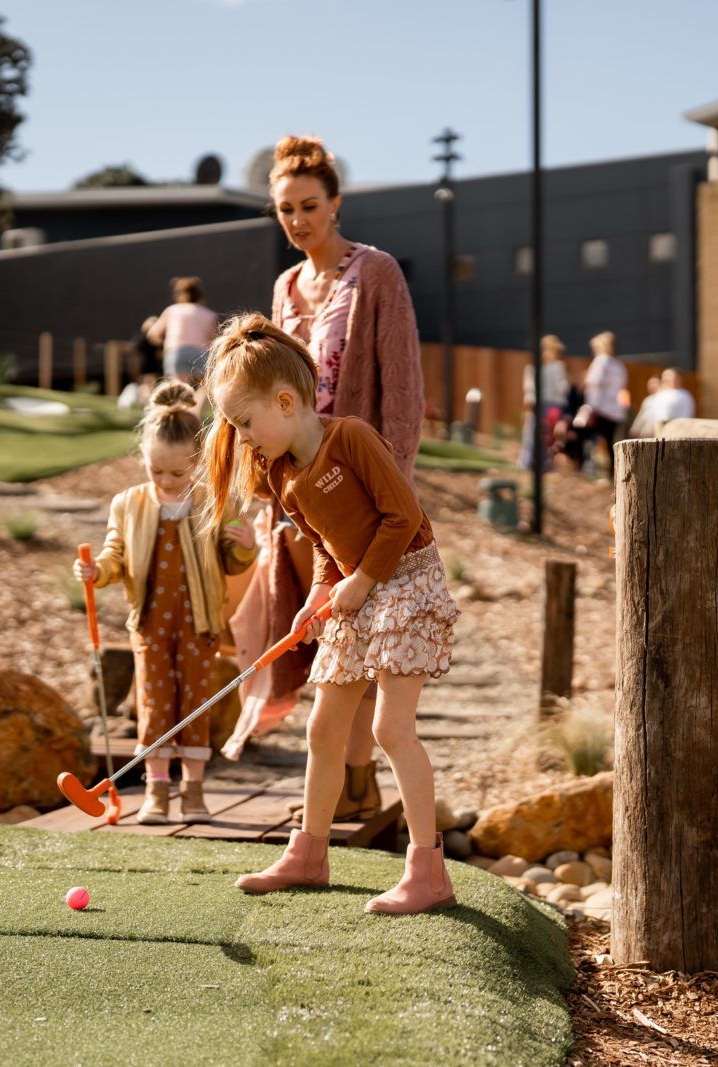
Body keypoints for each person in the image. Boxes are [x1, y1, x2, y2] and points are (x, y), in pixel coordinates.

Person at [202, 314, 459, 914]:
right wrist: (318, 594)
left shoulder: (352, 439)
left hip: (406, 580)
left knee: (390, 729)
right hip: (356, 587)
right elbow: (323, 543)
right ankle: (309, 855)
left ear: (285, 402)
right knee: (322, 728)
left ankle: (428, 871)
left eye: (244, 422)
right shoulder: (283, 475)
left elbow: (402, 516)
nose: (241, 437)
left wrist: (360, 581)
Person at [249, 133, 425, 820]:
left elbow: (402, 387)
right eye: (285, 209)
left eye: (309, 206)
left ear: (335, 204)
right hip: (302, 491)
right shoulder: (285, 287)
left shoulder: (375, 272)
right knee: (328, 638)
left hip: (363, 487)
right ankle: (349, 786)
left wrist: (393, 486)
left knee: (363, 633)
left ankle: (358, 780)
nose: (297, 220)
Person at [72, 380, 256, 824]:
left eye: (178, 473)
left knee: (195, 704)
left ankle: (193, 792)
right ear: (144, 459)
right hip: (151, 623)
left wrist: (247, 546)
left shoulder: (214, 501)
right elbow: (115, 556)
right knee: (154, 704)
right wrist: (96, 572)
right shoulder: (128, 504)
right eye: (157, 471)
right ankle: (156, 792)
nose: (167, 481)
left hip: (199, 623)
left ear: (198, 462)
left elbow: (231, 562)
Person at [148, 276, 217, 388]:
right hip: (201, 353)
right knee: (206, 387)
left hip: (176, 352)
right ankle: (198, 401)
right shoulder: (208, 314)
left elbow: (153, 334)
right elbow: (213, 339)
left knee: (180, 388)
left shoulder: (172, 310)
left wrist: (164, 345)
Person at [582, 331, 628, 476]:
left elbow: (593, 384)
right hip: (615, 411)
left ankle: (591, 469)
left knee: (590, 439)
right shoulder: (619, 365)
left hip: (600, 408)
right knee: (610, 443)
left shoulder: (601, 361)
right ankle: (614, 473)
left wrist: (590, 407)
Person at [521, 334, 568, 471]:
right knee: (531, 432)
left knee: (548, 436)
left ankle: (545, 462)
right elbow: (529, 388)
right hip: (538, 404)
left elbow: (562, 388)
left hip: (552, 405)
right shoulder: (532, 368)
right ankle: (527, 461)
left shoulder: (558, 367)